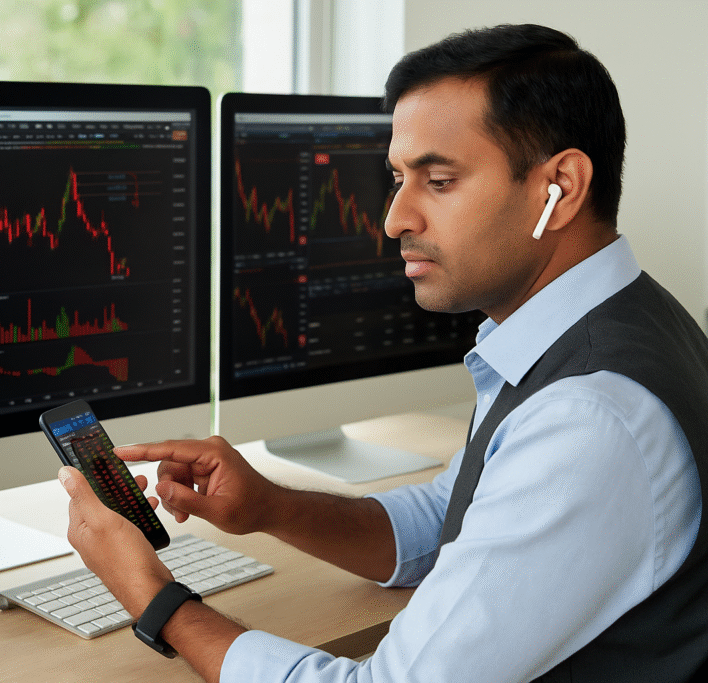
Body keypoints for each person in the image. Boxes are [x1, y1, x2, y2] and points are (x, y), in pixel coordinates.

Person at [58, 24, 708, 682]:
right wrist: (269, 507)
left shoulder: (586, 417)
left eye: (440, 180)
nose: (396, 218)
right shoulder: (620, 325)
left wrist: (155, 597)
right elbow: (440, 521)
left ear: (559, 188)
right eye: (398, 178)